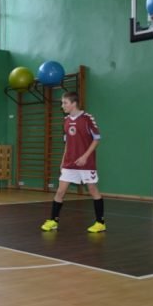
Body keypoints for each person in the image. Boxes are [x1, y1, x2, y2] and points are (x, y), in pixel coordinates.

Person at [40, 91, 106, 233]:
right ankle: (53, 220)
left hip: (85, 164)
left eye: (65, 103)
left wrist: (85, 156)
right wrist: (63, 161)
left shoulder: (87, 118)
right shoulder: (66, 121)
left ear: (74, 103)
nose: (62, 105)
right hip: (69, 163)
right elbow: (67, 144)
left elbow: (97, 139)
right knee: (60, 191)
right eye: (62, 103)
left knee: (93, 190)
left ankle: (100, 222)